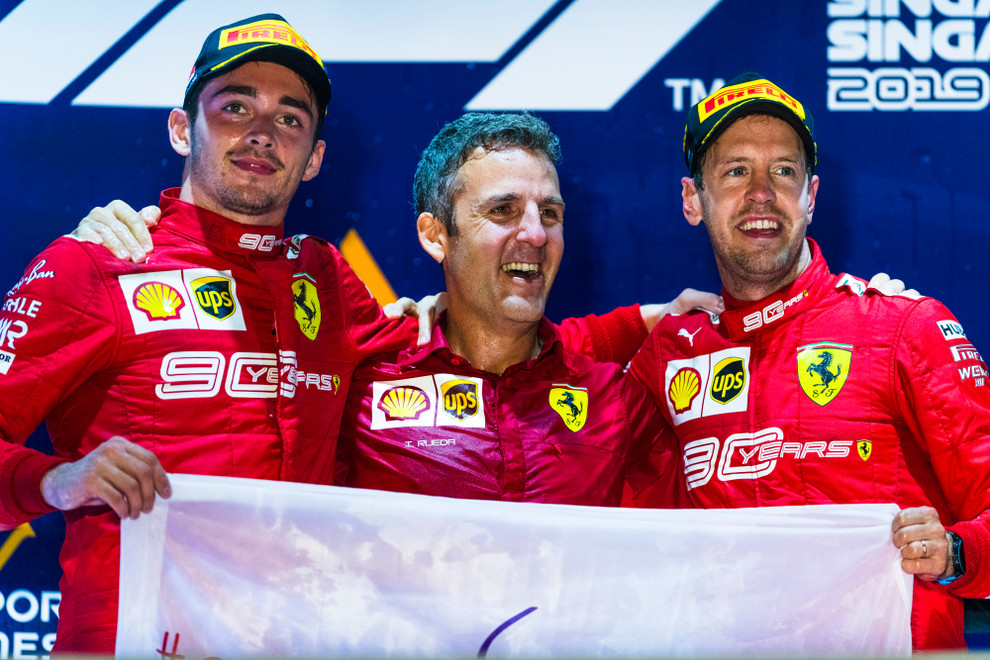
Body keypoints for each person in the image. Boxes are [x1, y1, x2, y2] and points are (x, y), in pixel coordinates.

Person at [0, 13, 418, 652]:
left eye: (290, 118)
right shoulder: (99, 262)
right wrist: (60, 481)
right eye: (235, 106)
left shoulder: (328, 280)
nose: (261, 133)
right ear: (179, 127)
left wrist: (452, 307)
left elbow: (469, 377)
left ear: (314, 160)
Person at [628, 73, 990, 650]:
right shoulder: (669, 354)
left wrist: (956, 552)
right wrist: (451, 322)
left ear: (811, 197)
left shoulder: (903, 328)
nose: (762, 193)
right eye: (735, 170)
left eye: (784, 171)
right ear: (693, 200)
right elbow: (582, 477)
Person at [335, 113, 685, 506]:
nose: (537, 234)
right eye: (503, 210)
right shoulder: (359, 387)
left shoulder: (617, 403)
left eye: (550, 214)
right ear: (436, 236)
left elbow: (675, 553)